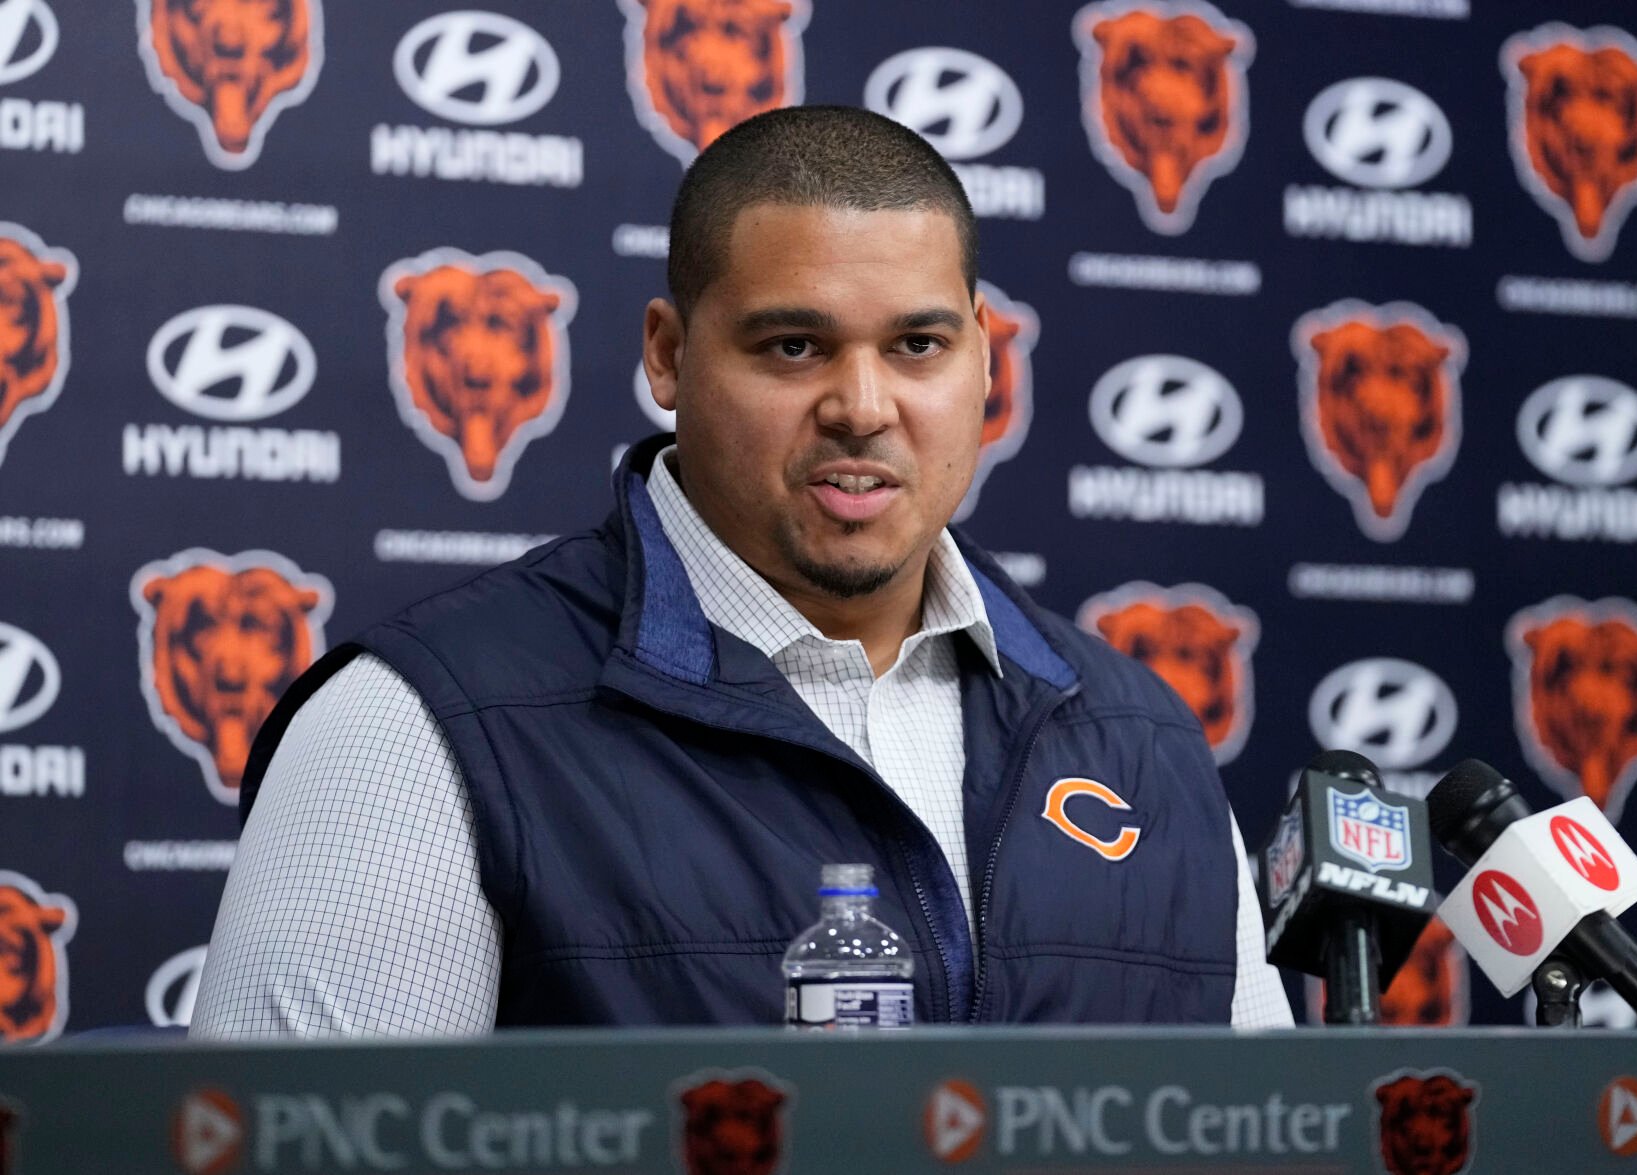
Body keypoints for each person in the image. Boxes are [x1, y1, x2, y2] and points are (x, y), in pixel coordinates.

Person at [190, 106, 1294, 1037]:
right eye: (792, 346)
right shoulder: (415, 724)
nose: (862, 408)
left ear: (984, 359)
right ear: (668, 354)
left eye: (916, 345)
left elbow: (1264, 1147)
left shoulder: (1142, 740)